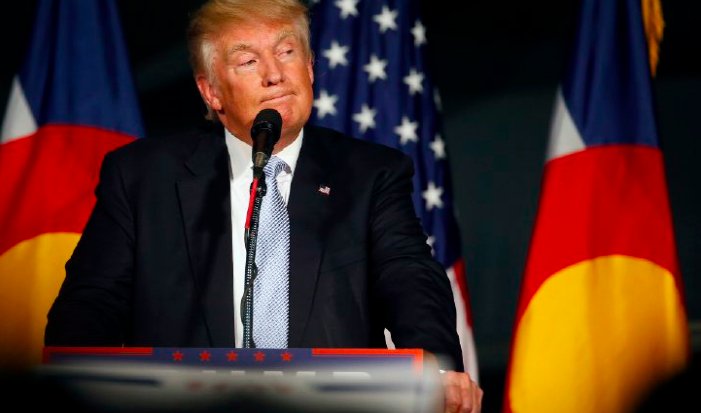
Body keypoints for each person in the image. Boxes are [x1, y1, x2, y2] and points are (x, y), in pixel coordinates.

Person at [44, 0, 482, 411]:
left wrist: (438, 367)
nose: (275, 75)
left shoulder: (369, 174)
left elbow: (410, 279)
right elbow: (92, 303)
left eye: (287, 52)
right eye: (248, 61)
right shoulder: (143, 177)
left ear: (309, 68)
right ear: (211, 92)